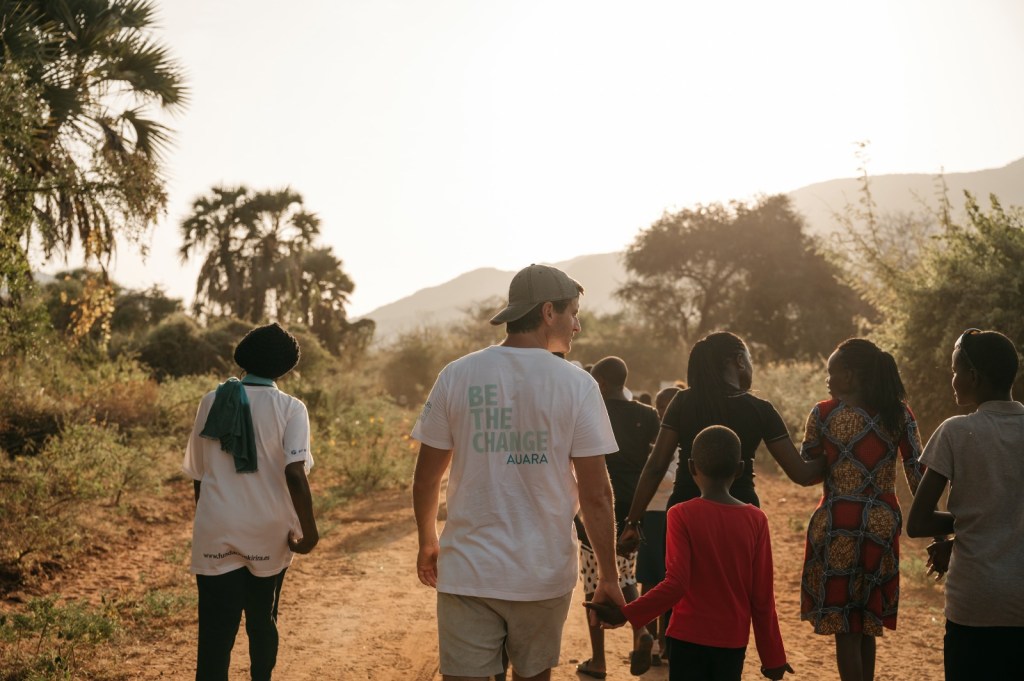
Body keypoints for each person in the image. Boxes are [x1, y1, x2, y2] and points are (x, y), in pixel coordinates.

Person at [411, 264, 625, 681]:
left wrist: (427, 540)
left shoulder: (457, 374)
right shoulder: (577, 385)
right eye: (573, 312)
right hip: (541, 575)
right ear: (548, 312)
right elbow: (597, 494)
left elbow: (426, 477)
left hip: (468, 572)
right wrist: (609, 576)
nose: (577, 325)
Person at [585, 425, 794, 681]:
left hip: (686, 640)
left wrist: (626, 613)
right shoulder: (756, 519)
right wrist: (773, 657)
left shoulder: (681, 514)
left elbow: (676, 584)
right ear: (739, 469)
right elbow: (762, 596)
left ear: (692, 466)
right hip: (731, 641)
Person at [183, 322, 319, 681]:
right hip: (268, 532)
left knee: (214, 633)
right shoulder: (291, 408)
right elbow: (294, 473)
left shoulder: (211, 401)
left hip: (217, 530)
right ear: (286, 367)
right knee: (262, 621)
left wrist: (210, 519)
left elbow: (200, 475)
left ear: (242, 356)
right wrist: (310, 532)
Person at [619, 332, 823, 554]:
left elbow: (656, 466)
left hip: (685, 511)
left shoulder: (682, 402)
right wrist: (837, 452)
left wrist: (632, 522)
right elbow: (802, 474)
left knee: (685, 585)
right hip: (741, 513)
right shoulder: (760, 410)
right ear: (738, 361)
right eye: (749, 359)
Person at [798, 338, 924, 681]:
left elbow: (809, 472)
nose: (827, 379)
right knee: (867, 625)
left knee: (845, 629)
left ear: (850, 376)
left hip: (839, 522)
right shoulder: (900, 413)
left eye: (831, 372)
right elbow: (917, 473)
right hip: (882, 523)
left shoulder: (823, 414)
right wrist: (935, 528)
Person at [907, 329, 1024, 680]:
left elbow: (918, 523)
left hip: (975, 603)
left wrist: (969, 524)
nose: (952, 379)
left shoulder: (956, 432)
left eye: (956, 370)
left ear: (974, 376)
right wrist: (989, 517)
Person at [574, 356, 661, 680]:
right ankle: (641, 633)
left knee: (593, 581)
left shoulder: (592, 411)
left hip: (598, 506)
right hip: (633, 511)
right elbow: (656, 461)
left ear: (602, 385)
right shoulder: (647, 414)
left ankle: (598, 660)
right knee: (624, 575)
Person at [633, 384, 682, 667]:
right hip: (652, 514)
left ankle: (668, 641)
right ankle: (650, 641)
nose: (663, 412)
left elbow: (666, 477)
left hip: (671, 513)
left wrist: (653, 464)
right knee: (650, 580)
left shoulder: (682, 439)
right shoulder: (655, 438)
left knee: (671, 580)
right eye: (660, 407)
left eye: (668, 407)